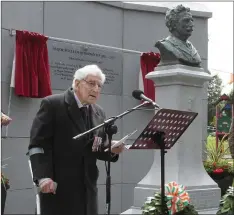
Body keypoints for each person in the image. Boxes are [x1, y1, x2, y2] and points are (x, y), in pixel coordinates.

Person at [28, 64, 125, 215]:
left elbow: (95, 147)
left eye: (100, 85)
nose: (96, 89)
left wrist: (110, 149)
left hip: (88, 188)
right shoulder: (53, 104)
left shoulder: (99, 112)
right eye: (92, 83)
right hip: (58, 188)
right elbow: (38, 144)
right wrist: (43, 177)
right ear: (77, 83)